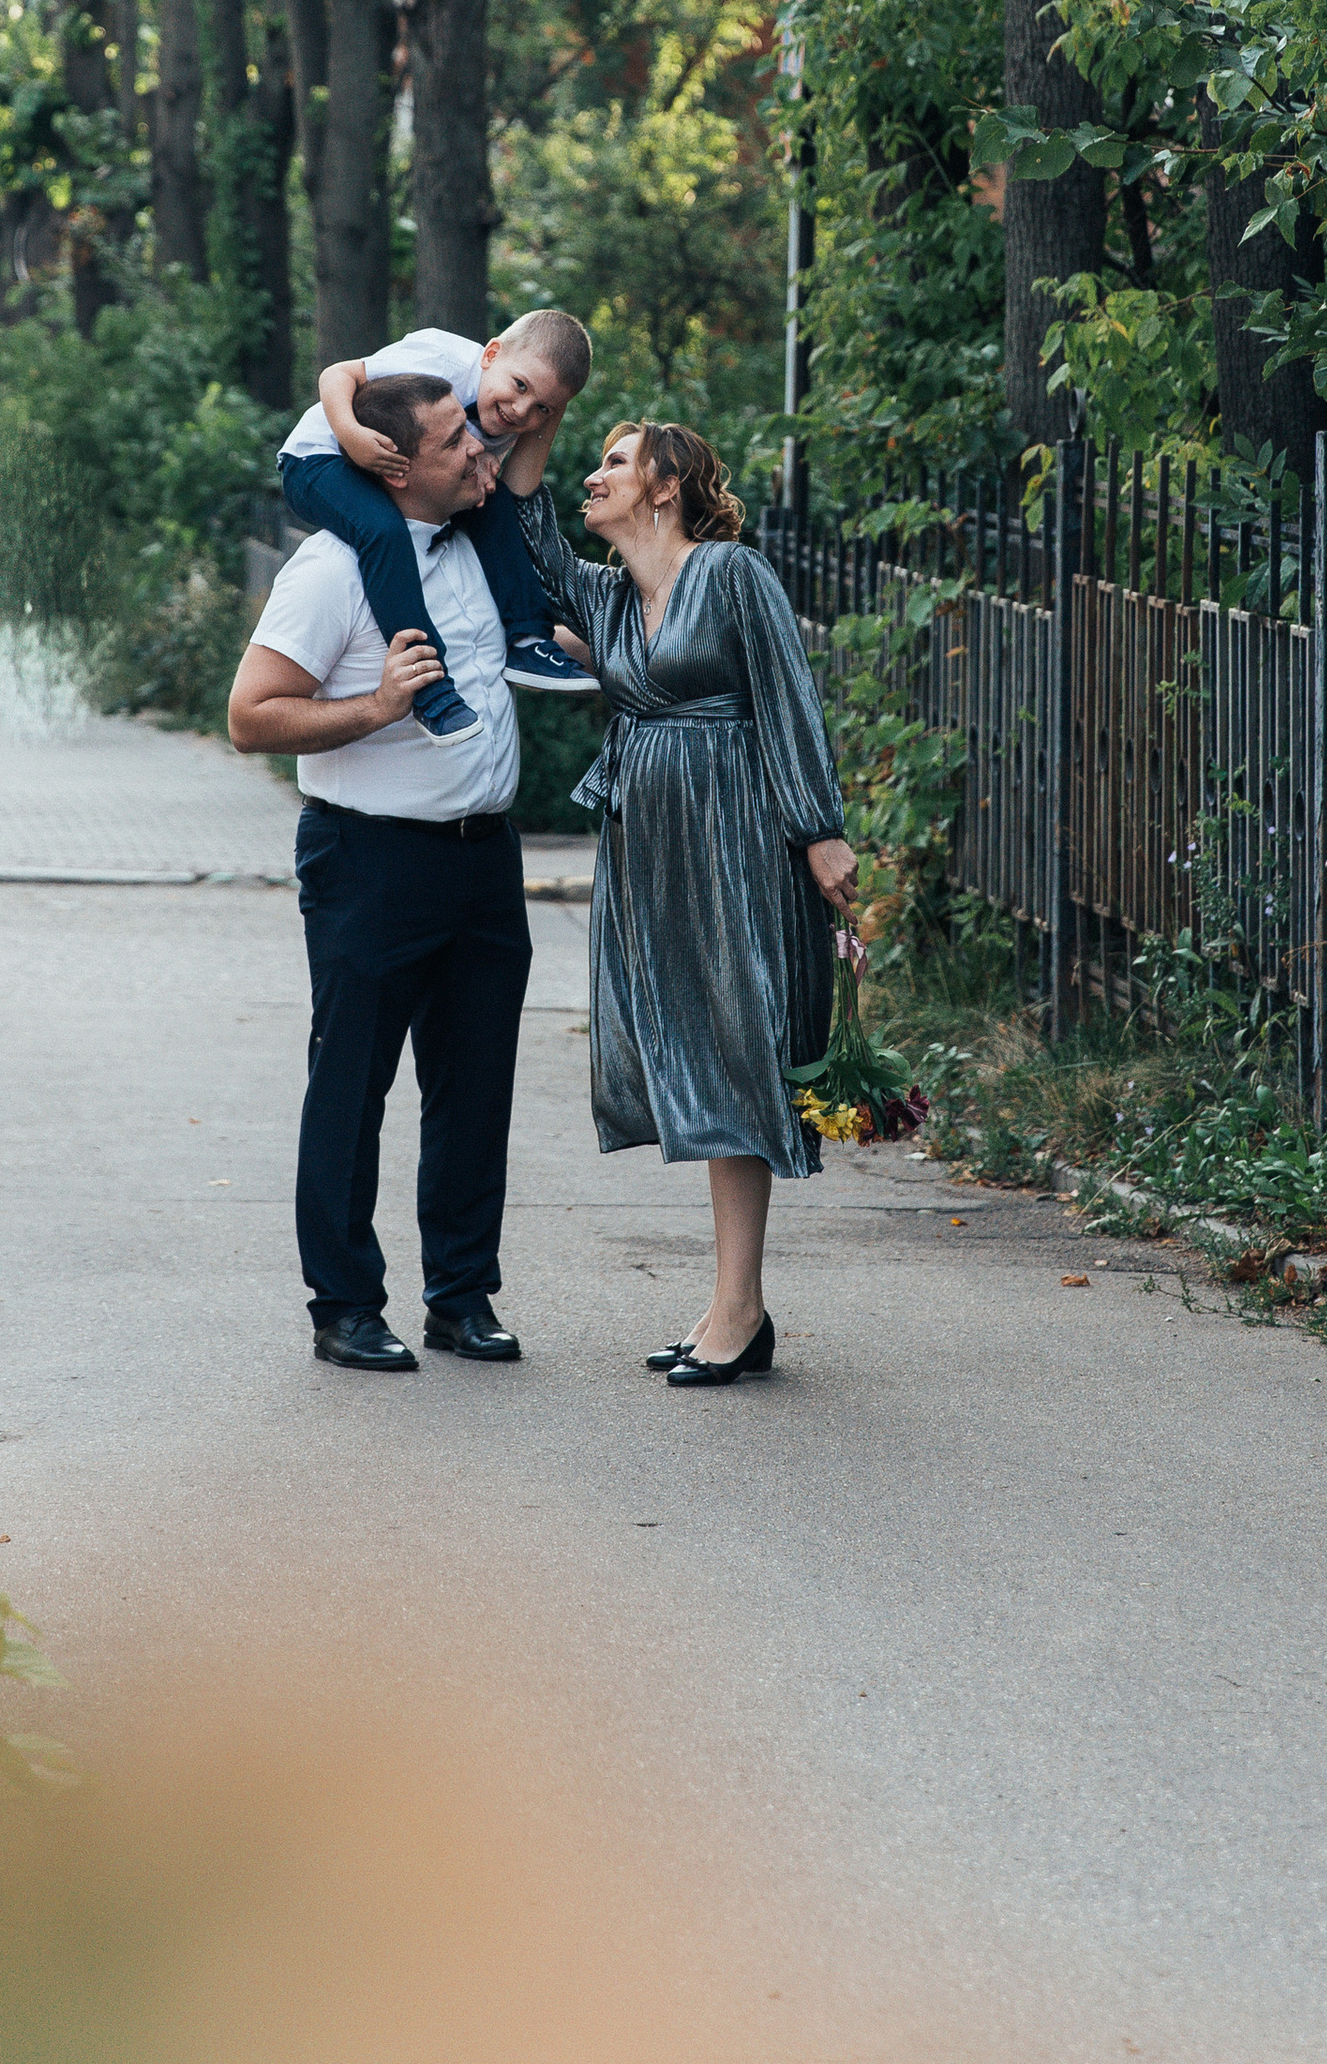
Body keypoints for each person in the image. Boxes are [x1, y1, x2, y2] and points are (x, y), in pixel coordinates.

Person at [510, 422, 856, 1387]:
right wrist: (531, 409)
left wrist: (819, 829)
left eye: (615, 463)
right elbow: (529, 523)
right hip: (651, 852)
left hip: (739, 840)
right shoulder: (609, 595)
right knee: (695, 1057)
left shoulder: (733, 574)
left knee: (736, 1051)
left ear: (666, 486)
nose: (594, 477)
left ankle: (739, 1309)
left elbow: (788, 698)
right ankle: (730, 1306)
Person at [227, 368, 534, 1376]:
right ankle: (347, 1305)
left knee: (475, 1088)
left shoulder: (479, 544)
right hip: (370, 861)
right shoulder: (330, 570)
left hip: (484, 860)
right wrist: (376, 708)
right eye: (455, 441)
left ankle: (462, 1297)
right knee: (352, 1089)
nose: (479, 449)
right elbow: (250, 717)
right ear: (394, 465)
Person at [275, 309, 595, 750]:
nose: (522, 410)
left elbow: (518, 487)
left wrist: (532, 426)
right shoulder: (442, 358)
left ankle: (527, 639)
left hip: (386, 472)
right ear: (491, 355)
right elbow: (338, 374)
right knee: (383, 531)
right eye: (520, 386)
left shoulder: (513, 417)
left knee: (496, 505)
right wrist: (350, 434)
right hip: (320, 459)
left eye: (543, 407)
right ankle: (428, 687)